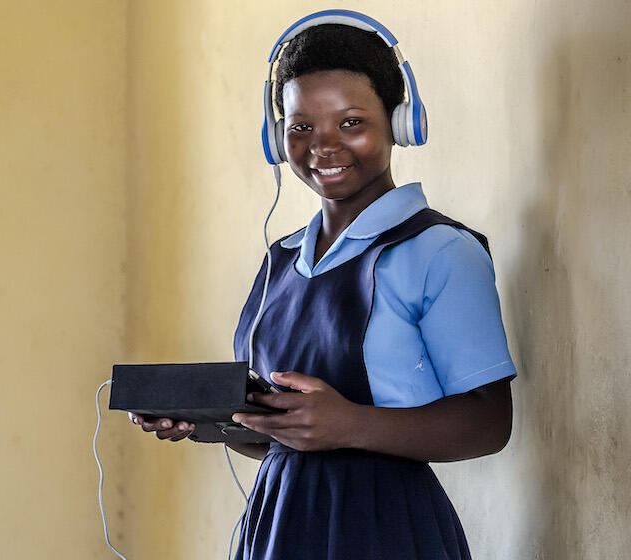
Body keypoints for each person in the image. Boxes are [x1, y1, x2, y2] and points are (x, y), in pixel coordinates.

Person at [129, 13, 516, 560]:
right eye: (301, 126)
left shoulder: (440, 250)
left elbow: (489, 423)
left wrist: (351, 424)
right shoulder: (281, 260)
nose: (324, 146)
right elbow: (277, 438)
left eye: (352, 122)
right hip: (279, 522)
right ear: (277, 134)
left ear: (400, 125)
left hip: (386, 529)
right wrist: (207, 422)